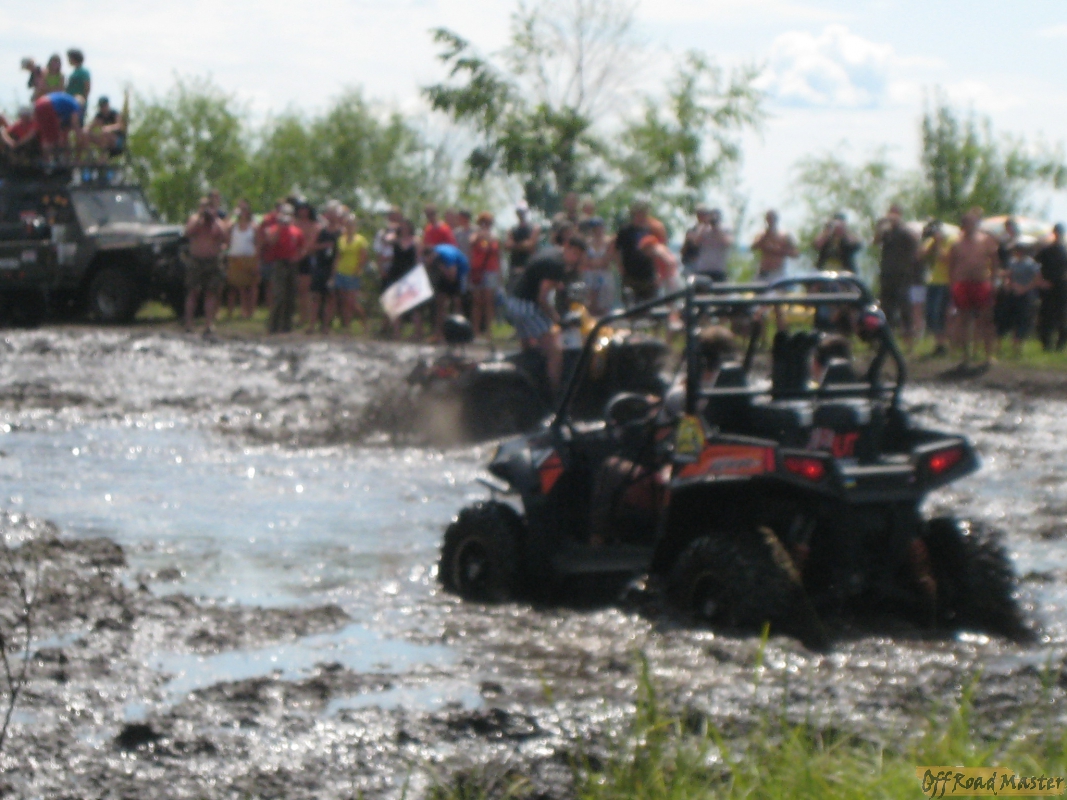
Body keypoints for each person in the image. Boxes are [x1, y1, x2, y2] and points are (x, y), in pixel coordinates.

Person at [501, 236, 587, 393]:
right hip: (527, 307)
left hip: (515, 302)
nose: (575, 259)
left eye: (579, 256)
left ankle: (529, 386)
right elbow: (542, 299)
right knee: (555, 352)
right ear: (566, 246)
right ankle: (555, 394)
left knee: (530, 349)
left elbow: (540, 276)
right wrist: (558, 320)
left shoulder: (551, 253)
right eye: (574, 253)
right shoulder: (557, 264)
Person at [949, 208, 1000, 366]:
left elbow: (995, 262)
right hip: (963, 283)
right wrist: (952, 285)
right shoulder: (956, 244)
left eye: (971, 223)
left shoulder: (985, 240)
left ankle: (988, 355)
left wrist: (994, 281)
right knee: (964, 319)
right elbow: (951, 265)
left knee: (986, 318)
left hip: (981, 282)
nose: (968, 226)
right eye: (966, 223)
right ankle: (966, 356)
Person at [874, 204, 920, 341]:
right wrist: (880, 227)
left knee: (905, 307)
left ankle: (908, 339)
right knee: (886, 307)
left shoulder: (906, 231)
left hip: (902, 275)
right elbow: (876, 241)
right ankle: (886, 338)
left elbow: (916, 245)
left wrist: (900, 225)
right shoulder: (886, 232)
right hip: (887, 274)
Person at [183, 197, 228, 335]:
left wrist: (213, 221)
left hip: (212, 262)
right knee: (193, 292)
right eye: (203, 206)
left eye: (208, 207)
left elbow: (225, 236)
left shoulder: (217, 222)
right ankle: (189, 323)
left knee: (211, 293)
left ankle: (208, 324)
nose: (206, 209)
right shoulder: (194, 220)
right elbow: (187, 233)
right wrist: (200, 221)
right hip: (196, 261)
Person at [264, 204, 305, 333]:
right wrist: (280, 227)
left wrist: (297, 257)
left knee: (290, 295)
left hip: (292, 263)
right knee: (279, 294)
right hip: (279, 263)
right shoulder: (274, 229)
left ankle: (287, 325)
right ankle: (273, 325)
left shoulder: (296, 231)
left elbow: (301, 247)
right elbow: (271, 241)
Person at [1001, 242, 1043, 358]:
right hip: (1014, 293)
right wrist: (1008, 284)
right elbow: (1009, 275)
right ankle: (1013, 344)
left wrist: (1024, 288)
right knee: (1012, 318)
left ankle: (1019, 346)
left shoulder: (1031, 264)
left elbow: (1037, 279)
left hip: (1027, 295)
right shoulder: (1012, 262)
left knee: (1023, 319)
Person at [921, 220, 956, 357]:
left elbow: (944, 258)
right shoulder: (933, 241)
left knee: (940, 313)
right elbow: (921, 254)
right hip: (934, 281)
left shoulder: (952, 240)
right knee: (931, 313)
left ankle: (946, 344)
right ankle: (939, 344)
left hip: (946, 281)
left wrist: (939, 243)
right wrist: (931, 241)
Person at [614, 202, 658, 303]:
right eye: (639, 213)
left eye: (644, 213)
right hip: (630, 274)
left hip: (647, 274)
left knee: (648, 304)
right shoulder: (625, 231)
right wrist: (620, 267)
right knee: (630, 303)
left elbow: (654, 252)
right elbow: (617, 250)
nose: (642, 216)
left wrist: (656, 271)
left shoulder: (649, 231)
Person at [307, 205, 342, 333]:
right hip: (320, 266)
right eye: (330, 214)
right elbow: (311, 247)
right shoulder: (320, 231)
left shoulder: (341, 232)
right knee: (316, 296)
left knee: (330, 297)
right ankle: (311, 325)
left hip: (334, 267)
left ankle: (326, 325)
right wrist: (324, 246)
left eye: (334, 214)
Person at [333, 214, 370, 333]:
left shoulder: (360, 240)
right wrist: (334, 272)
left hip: (353, 273)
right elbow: (338, 256)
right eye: (347, 224)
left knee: (351, 302)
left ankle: (364, 321)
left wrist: (358, 270)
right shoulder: (341, 239)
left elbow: (363, 257)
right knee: (343, 301)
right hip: (341, 272)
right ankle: (346, 325)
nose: (349, 226)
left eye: (351, 224)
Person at [468, 212, 501, 338]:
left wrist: (500, 274)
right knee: (477, 301)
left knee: (489, 301)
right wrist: (481, 235)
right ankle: (475, 330)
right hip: (477, 271)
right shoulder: (476, 235)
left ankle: (488, 331)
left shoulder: (494, 238)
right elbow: (471, 242)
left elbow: (498, 256)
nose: (486, 225)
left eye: (488, 223)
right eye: (483, 222)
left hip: (491, 271)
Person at [224, 199, 258, 319]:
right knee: (239, 286)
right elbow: (223, 226)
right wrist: (232, 213)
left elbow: (258, 242)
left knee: (252, 286)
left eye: (244, 209)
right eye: (240, 209)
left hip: (250, 257)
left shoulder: (253, 226)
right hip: (235, 257)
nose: (242, 212)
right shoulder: (233, 225)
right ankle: (241, 311)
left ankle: (251, 311)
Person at [429, 243, 470, 340]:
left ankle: (460, 331)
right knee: (439, 304)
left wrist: (443, 270)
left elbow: (453, 275)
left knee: (456, 302)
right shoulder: (435, 254)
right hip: (445, 274)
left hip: (457, 274)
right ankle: (438, 333)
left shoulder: (448, 256)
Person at [1036, 223, 1067, 351]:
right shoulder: (1047, 250)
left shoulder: (1065, 250)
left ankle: (1060, 344)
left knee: (1062, 315)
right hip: (1048, 286)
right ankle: (1046, 344)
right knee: (1046, 315)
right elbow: (1036, 266)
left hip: (1062, 286)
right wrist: (1041, 281)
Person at [684, 207, 733, 281]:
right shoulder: (703, 229)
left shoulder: (725, 230)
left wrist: (717, 228)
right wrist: (705, 225)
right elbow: (696, 242)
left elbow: (727, 243)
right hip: (703, 269)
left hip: (719, 269)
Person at [33, 91, 84, 160]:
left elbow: (59, 121)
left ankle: (45, 159)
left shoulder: (66, 101)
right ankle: (50, 161)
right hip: (48, 105)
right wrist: (79, 136)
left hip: (38, 104)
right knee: (53, 139)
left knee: (45, 136)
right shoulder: (75, 104)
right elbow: (74, 122)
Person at [579, 217, 615, 316]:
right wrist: (596, 262)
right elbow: (584, 261)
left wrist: (594, 262)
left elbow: (607, 261)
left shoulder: (609, 242)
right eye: (594, 228)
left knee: (605, 305)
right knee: (590, 303)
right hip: (590, 275)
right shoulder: (586, 242)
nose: (597, 230)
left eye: (599, 227)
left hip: (605, 275)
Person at [292, 201, 320, 326]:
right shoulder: (294, 223)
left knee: (304, 290)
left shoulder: (314, 225)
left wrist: (301, 255)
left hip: (307, 259)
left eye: (305, 209)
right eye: (300, 209)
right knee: (295, 290)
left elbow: (310, 242)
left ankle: (305, 317)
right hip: (292, 257)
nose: (303, 212)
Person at [751, 210, 798, 282]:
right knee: (757, 287)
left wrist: (778, 250)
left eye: (772, 218)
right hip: (764, 270)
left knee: (778, 287)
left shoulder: (785, 236)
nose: (770, 221)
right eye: (769, 218)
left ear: (776, 219)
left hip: (777, 271)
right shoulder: (761, 235)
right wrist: (765, 237)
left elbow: (795, 254)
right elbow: (753, 247)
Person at [505, 201, 539, 288]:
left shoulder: (534, 227)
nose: (521, 214)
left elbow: (531, 245)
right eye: (519, 212)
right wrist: (523, 245)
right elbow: (507, 245)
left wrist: (515, 245)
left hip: (529, 265)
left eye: (523, 212)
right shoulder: (512, 229)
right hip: (515, 265)